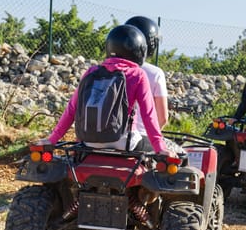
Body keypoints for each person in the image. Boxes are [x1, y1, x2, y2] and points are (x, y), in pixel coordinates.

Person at [39, 24, 174, 157]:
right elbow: (148, 115)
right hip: (124, 143)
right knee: (168, 152)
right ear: (140, 50)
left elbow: (72, 109)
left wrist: (52, 139)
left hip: (89, 142)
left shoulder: (92, 71)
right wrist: (160, 148)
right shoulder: (137, 74)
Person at [124, 16, 170, 151]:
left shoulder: (106, 69)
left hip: (106, 138)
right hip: (139, 140)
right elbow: (162, 118)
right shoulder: (155, 73)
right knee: (182, 155)